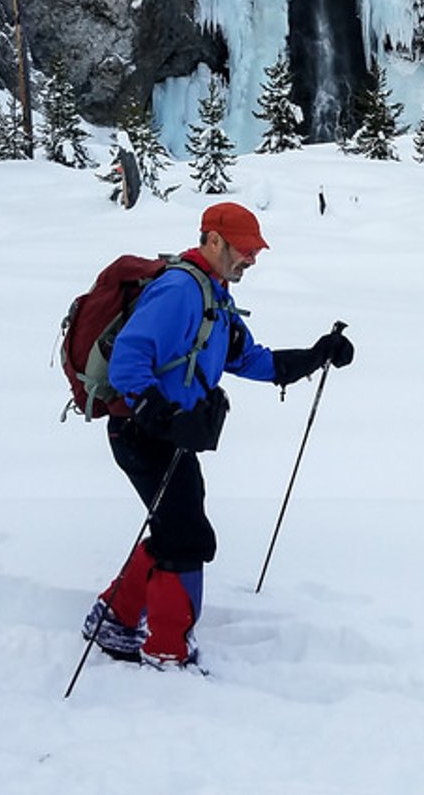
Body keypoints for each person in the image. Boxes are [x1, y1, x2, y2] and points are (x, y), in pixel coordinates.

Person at [83, 201, 353, 669]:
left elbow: (250, 359)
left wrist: (316, 355)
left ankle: (115, 618)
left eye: (255, 251)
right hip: (140, 433)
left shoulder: (214, 296)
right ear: (214, 240)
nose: (251, 258)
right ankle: (167, 648)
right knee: (187, 537)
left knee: (177, 529)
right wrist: (162, 417)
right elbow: (129, 359)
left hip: (167, 435)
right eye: (245, 249)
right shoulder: (179, 291)